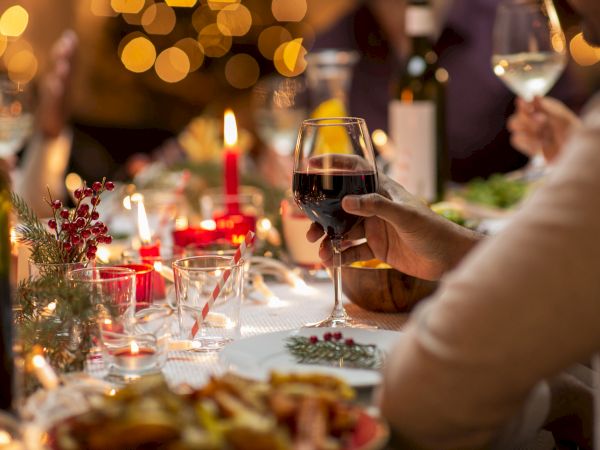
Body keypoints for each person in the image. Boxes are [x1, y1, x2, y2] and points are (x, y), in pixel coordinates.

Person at [306, 0, 600, 447]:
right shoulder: (335, 39)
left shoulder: (490, 18)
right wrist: (455, 249)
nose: (590, 35)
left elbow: (421, 396)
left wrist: (561, 398)